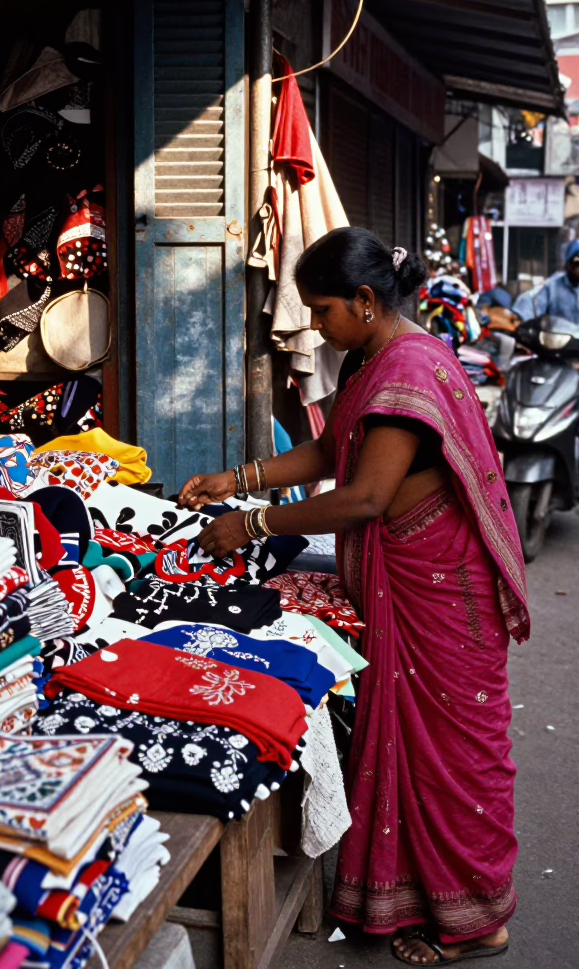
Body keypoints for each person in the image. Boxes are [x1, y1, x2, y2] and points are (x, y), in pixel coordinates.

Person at [178, 226, 529, 965]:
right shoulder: (374, 356)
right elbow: (332, 447)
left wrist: (254, 523)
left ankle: (479, 922)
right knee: (407, 742)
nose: (315, 326)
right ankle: (418, 899)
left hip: (440, 590)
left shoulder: (408, 371)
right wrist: (238, 480)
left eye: (323, 310)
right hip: (403, 579)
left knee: (453, 755)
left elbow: (365, 495)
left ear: (365, 301)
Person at [512, 238, 579, 322]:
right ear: (569, 264)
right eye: (577, 264)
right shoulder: (553, 286)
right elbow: (531, 302)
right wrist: (520, 317)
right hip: (559, 334)